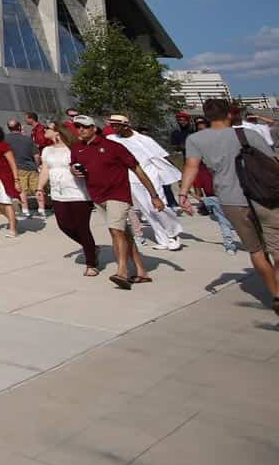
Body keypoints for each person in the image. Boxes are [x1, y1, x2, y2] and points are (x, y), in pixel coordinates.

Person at [179, 98, 279, 315]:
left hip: (230, 199)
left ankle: (276, 295)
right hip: (264, 196)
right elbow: (272, 163)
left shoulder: (195, 139)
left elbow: (191, 166)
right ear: (229, 114)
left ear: (206, 116)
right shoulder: (246, 134)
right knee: (277, 248)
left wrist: (183, 193)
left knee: (256, 250)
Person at [72, 114, 163, 289]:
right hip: (97, 196)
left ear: (94, 128)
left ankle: (122, 271)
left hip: (118, 194)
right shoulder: (77, 148)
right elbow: (74, 164)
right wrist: (73, 169)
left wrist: (154, 195)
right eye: (78, 127)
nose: (81, 130)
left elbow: (137, 169)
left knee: (115, 231)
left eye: (84, 126)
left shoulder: (113, 147)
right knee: (124, 234)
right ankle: (141, 271)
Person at [108, 114, 183, 250]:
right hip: (131, 177)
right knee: (146, 210)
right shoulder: (111, 139)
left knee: (158, 206)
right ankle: (163, 239)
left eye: (116, 125)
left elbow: (163, 156)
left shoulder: (144, 140)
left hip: (150, 175)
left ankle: (173, 234)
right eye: (112, 125)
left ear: (126, 125)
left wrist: (177, 176)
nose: (113, 128)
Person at [38, 122, 98, 276]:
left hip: (78, 193)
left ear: (58, 132)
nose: (45, 130)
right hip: (58, 194)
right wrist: (40, 188)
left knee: (82, 228)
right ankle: (90, 246)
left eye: (48, 128)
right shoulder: (47, 150)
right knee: (64, 225)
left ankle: (91, 263)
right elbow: (45, 169)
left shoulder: (75, 148)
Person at [182, 115, 241, 255]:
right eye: (198, 124)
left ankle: (239, 239)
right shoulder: (198, 163)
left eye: (203, 124)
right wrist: (188, 193)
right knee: (223, 220)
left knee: (237, 220)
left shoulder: (221, 147)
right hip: (213, 194)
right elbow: (193, 176)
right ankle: (229, 243)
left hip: (231, 191)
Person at [5, 118, 43, 218]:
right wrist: (37, 165)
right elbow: (36, 155)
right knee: (37, 189)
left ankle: (25, 210)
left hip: (17, 168)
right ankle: (42, 210)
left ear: (9, 128)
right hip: (32, 167)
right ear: (19, 127)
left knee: (22, 190)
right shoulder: (28, 139)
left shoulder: (5, 139)